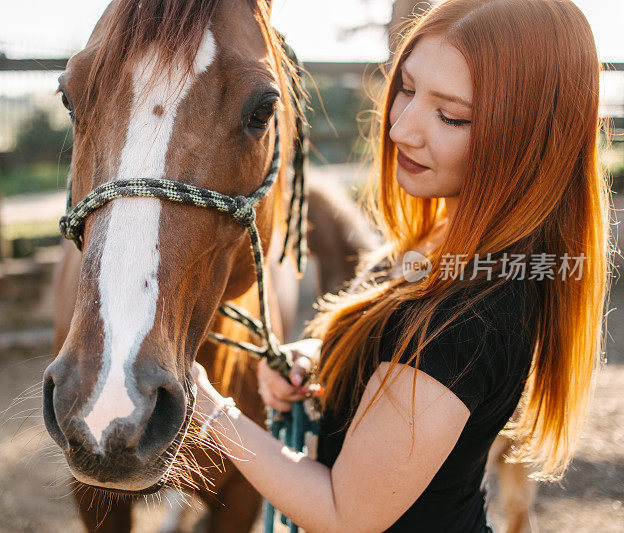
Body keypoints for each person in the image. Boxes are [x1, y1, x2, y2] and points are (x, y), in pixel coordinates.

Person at [191, 0, 614, 531]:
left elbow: (345, 514)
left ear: (527, 139)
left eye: (451, 115)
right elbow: (399, 361)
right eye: (407, 89)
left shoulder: (471, 315)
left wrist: (206, 407)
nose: (401, 130)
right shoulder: (444, 238)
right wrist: (323, 359)